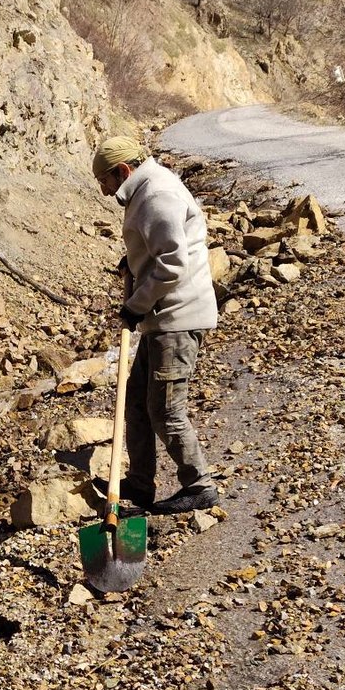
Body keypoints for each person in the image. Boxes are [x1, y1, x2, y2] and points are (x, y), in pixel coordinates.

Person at [91, 132, 219, 515]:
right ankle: (140, 483)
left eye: (105, 182)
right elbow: (161, 246)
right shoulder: (149, 186)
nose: (103, 190)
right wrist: (133, 261)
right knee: (136, 403)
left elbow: (173, 264)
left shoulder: (157, 194)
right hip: (161, 317)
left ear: (124, 170)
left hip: (176, 317)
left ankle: (199, 485)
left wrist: (135, 305)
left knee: (165, 408)